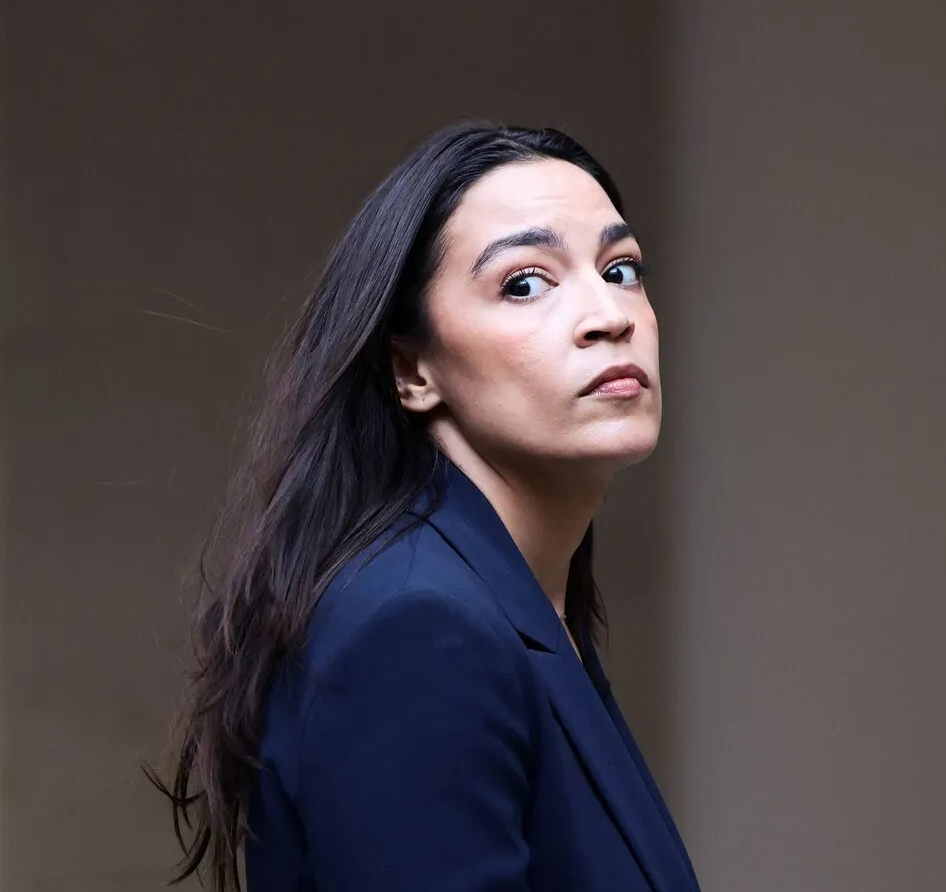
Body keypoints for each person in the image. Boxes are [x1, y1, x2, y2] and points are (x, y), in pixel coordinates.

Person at [149, 122, 701, 892]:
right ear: (412, 369)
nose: (610, 313)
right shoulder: (420, 627)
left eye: (621, 269)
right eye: (525, 283)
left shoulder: (519, 610)